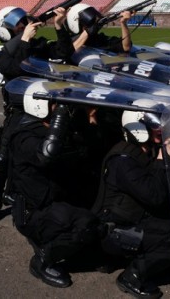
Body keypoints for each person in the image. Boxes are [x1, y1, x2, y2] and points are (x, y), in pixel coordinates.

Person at [0, 6, 74, 226]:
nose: (24, 27)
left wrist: (59, 26)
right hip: (19, 112)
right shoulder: (3, 57)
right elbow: (17, 71)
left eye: (24, 23)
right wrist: (23, 42)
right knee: (2, 158)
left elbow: (65, 53)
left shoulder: (38, 46)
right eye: (19, 25)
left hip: (45, 108)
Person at [8, 96, 102, 288]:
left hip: (56, 200)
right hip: (34, 211)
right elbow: (46, 153)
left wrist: (90, 119)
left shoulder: (54, 130)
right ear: (40, 106)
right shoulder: (25, 137)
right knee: (86, 225)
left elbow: (83, 151)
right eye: (55, 105)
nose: (61, 109)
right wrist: (60, 116)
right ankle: (42, 260)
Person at [92, 105, 170, 298]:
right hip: (114, 230)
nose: (160, 129)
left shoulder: (146, 149)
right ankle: (132, 276)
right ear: (137, 129)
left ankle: (151, 261)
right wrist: (162, 159)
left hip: (134, 218)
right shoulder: (124, 160)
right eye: (154, 125)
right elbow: (155, 195)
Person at [66, 3, 133, 54]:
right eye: (88, 24)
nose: (92, 26)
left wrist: (123, 23)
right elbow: (67, 53)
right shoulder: (67, 43)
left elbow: (126, 47)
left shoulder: (99, 39)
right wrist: (87, 33)